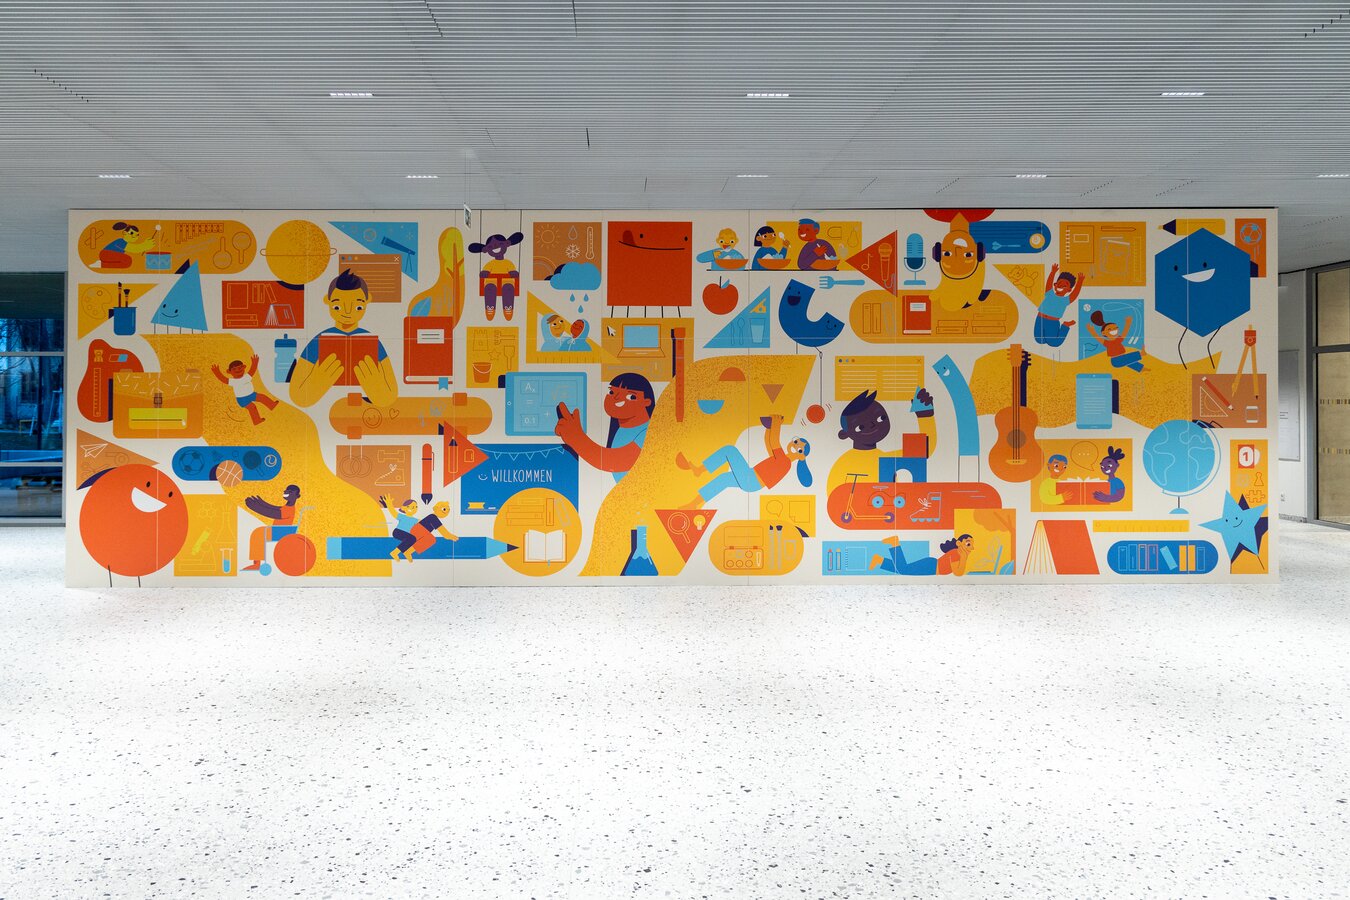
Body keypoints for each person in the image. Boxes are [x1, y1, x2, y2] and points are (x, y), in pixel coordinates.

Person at [289, 268, 398, 408]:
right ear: (327, 301)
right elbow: (297, 396)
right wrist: (316, 383)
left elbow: (391, 395)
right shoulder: (318, 341)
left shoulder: (372, 342)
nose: (347, 312)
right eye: (337, 306)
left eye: (358, 307)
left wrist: (377, 389)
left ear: (367, 301)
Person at [675, 415, 811, 508]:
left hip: (751, 479)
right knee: (723, 479)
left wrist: (776, 424)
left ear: (801, 457)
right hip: (751, 479)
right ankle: (694, 504)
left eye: (799, 449)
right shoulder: (781, 460)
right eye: (796, 442)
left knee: (729, 451)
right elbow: (769, 442)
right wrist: (769, 427)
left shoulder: (785, 462)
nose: (795, 446)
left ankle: (699, 470)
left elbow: (774, 441)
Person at [826, 387, 937, 493]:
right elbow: (834, 495)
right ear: (844, 434)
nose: (872, 425)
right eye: (860, 427)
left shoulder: (886, 459)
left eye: (881, 418)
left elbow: (924, 450)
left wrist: (925, 416)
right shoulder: (844, 463)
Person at [554, 372, 657, 483]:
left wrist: (577, 438)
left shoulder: (648, 433)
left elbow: (615, 461)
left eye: (631, 396)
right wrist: (574, 444)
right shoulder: (620, 430)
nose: (617, 398)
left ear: (647, 402)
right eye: (612, 392)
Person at [242, 485, 301, 571]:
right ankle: (256, 564)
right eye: (286, 490)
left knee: (257, 533)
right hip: (277, 530)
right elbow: (274, 508)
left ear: (297, 496)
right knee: (258, 532)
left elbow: (270, 513)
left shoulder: (289, 510)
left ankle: (257, 564)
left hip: (280, 532)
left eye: (290, 492)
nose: (286, 492)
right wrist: (261, 502)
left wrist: (254, 507)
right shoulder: (287, 507)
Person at [468, 231, 524, 321]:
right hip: (491, 284)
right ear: (486, 250)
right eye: (490, 247)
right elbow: (485, 271)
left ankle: (508, 307)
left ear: (506, 244)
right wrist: (484, 273)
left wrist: (513, 273)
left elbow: (512, 271)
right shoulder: (490, 264)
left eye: (500, 244)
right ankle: (490, 307)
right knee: (489, 288)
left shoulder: (508, 263)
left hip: (507, 284)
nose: (495, 247)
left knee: (508, 288)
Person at [210, 354, 279, 425]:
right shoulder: (233, 381)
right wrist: (217, 372)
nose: (238, 370)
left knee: (262, 397)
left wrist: (255, 363)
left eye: (240, 367)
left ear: (244, 367)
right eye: (234, 369)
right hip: (242, 399)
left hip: (252, 394)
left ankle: (272, 405)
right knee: (252, 407)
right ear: (229, 372)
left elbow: (252, 370)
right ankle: (257, 420)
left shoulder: (246, 377)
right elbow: (223, 379)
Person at [1034, 264, 1085, 348]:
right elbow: (1048, 283)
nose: (1061, 286)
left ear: (1069, 290)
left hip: (1052, 322)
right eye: (1059, 283)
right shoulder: (1049, 294)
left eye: (1065, 285)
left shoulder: (1065, 300)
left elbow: (1075, 294)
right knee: (1039, 340)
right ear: (1055, 285)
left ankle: (1065, 326)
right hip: (1040, 318)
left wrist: (1080, 281)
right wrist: (1053, 272)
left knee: (1054, 343)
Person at [381, 495, 421, 561]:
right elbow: (393, 512)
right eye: (411, 507)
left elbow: (423, 523)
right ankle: (395, 552)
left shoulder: (415, 520)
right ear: (403, 508)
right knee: (412, 538)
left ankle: (405, 552)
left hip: (406, 535)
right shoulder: (402, 517)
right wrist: (389, 504)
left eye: (416, 507)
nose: (414, 508)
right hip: (398, 532)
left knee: (412, 539)